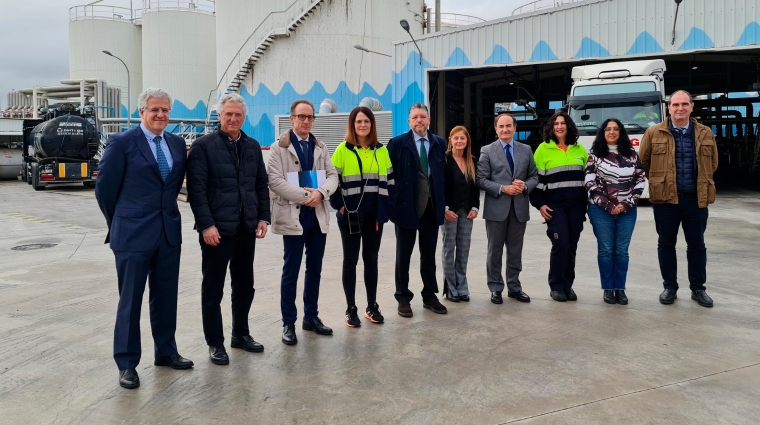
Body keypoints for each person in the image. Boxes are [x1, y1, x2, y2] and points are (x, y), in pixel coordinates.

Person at [96, 88, 193, 389]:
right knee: (130, 301)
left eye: (165, 110)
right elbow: (105, 190)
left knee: (165, 298)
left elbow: (173, 186)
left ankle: (166, 352)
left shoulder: (177, 143)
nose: (161, 115)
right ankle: (126, 363)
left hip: (167, 234)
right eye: (155, 110)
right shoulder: (122, 142)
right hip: (132, 236)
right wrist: (122, 223)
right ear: (142, 112)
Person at [186, 93, 270, 365]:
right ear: (220, 116)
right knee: (213, 289)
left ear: (244, 118)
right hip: (217, 231)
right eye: (228, 114)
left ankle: (240, 335)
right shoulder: (203, 146)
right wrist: (206, 225)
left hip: (246, 227)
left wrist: (263, 218)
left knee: (245, 285)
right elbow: (196, 191)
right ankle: (215, 342)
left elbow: (260, 184)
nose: (233, 119)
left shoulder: (252, 146)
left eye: (238, 115)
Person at [268, 99, 339, 344]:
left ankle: (311, 317)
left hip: (316, 214)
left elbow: (332, 176)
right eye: (301, 117)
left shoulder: (320, 146)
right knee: (291, 270)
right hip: (293, 214)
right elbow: (275, 181)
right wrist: (307, 195)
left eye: (309, 117)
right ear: (292, 118)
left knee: (315, 269)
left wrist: (321, 194)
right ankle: (288, 323)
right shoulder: (279, 147)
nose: (306, 121)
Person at [639, 90, 718, 308]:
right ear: (669, 107)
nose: (680, 108)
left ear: (692, 107)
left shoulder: (705, 133)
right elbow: (643, 163)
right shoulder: (654, 133)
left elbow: (713, 164)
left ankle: (698, 289)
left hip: (695, 200)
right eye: (675, 104)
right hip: (665, 201)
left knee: (697, 245)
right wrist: (660, 182)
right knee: (666, 244)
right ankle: (670, 287)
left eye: (684, 104)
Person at [329, 106, 394, 327]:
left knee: (371, 259)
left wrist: (385, 209)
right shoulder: (342, 150)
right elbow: (331, 181)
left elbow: (390, 182)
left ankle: (371, 305)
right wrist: (339, 206)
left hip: (375, 215)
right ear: (352, 124)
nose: (363, 125)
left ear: (372, 124)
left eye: (366, 121)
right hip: (350, 216)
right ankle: (351, 308)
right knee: (350, 260)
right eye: (359, 122)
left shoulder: (381, 151)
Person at [387, 103, 447, 317]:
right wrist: (393, 205)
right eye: (415, 117)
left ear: (429, 120)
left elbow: (443, 177)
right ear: (409, 121)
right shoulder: (397, 144)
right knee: (403, 255)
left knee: (428, 255)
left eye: (423, 117)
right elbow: (388, 177)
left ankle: (429, 295)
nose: (419, 120)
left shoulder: (439, 143)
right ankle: (403, 297)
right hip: (406, 209)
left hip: (431, 208)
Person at [477, 113, 539, 305]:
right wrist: (502, 188)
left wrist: (525, 185)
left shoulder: (526, 149)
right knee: (494, 251)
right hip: (497, 209)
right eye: (501, 126)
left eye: (508, 126)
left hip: (519, 208)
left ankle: (514, 287)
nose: (505, 130)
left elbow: (534, 175)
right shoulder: (487, 150)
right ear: (496, 129)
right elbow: (481, 179)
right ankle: (495, 288)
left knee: (515, 251)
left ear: (514, 127)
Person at [584, 118, 645, 305]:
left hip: (627, 211)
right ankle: (608, 289)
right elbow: (589, 183)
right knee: (606, 250)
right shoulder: (594, 155)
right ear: (602, 133)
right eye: (608, 129)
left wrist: (625, 204)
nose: (612, 132)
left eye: (616, 129)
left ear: (621, 132)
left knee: (621, 251)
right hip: (601, 211)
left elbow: (640, 180)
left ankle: (620, 289)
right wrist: (610, 206)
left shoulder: (632, 155)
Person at [529, 111, 588, 302]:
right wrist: (540, 205)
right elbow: (535, 181)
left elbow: (588, 178)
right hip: (555, 206)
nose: (560, 126)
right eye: (556, 124)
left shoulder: (579, 149)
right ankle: (556, 285)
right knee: (560, 244)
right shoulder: (543, 150)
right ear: (551, 127)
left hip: (577, 206)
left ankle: (568, 286)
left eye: (563, 123)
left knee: (571, 246)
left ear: (568, 126)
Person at [441, 126, 480, 302]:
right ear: (450, 140)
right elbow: (438, 188)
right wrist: (445, 209)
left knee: (463, 250)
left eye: (462, 138)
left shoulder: (472, 160)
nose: (459, 141)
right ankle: (450, 287)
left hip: (467, 212)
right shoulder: (444, 160)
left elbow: (476, 189)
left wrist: (475, 207)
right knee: (449, 250)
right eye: (456, 138)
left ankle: (462, 286)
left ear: (467, 141)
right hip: (450, 212)